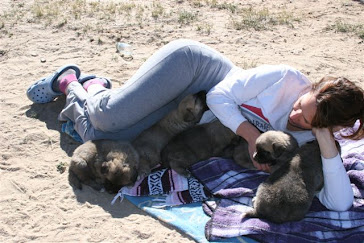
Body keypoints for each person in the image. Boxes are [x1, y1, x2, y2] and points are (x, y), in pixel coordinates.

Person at [27, 39, 363, 212]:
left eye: (308, 123)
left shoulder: (315, 137)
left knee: (102, 136)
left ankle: (90, 85)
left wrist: (323, 138)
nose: (295, 119)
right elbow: (219, 96)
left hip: (185, 116)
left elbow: (340, 203)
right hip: (193, 72)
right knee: (107, 118)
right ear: (314, 88)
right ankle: (71, 83)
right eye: (302, 108)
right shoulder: (286, 78)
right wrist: (251, 135)